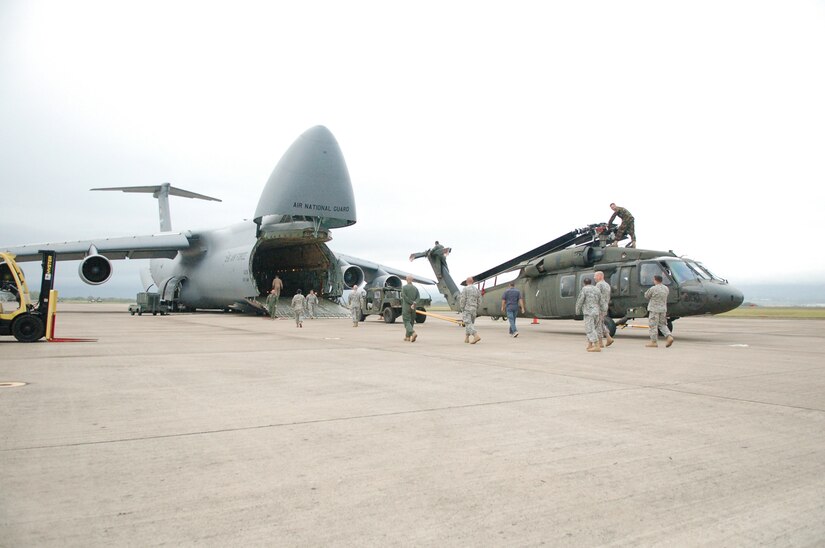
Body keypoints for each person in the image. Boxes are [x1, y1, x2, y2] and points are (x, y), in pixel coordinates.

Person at [644, 275, 674, 347]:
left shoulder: (653, 288)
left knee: (653, 325)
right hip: (663, 309)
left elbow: (646, 296)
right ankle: (669, 336)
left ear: (655, 280)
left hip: (654, 309)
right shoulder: (666, 288)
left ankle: (653, 342)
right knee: (662, 324)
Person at [575, 277, 602, 352]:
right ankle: (590, 345)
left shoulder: (584, 289)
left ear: (584, 283)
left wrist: (577, 311)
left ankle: (597, 346)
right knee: (594, 328)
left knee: (589, 329)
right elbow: (601, 300)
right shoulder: (597, 289)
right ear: (591, 282)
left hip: (588, 312)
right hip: (596, 312)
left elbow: (580, 300)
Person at [460, 276, 482, 344]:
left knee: (468, 323)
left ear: (466, 282)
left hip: (467, 308)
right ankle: (467, 338)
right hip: (474, 309)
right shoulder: (477, 290)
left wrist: (462, 308)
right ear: (473, 282)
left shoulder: (465, 289)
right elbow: (480, 300)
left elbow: (463, 299)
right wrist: (476, 307)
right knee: (470, 324)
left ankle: (476, 336)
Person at [594, 271, 614, 347]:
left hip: (599, 307)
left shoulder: (599, 285)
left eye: (595, 276)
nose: (594, 278)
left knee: (598, 324)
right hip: (605, 306)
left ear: (600, 276)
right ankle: (609, 338)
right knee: (601, 323)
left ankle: (600, 342)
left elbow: (596, 296)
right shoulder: (607, 285)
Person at [401, 275, 420, 342]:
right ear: (412, 280)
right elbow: (418, 297)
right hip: (413, 307)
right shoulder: (415, 288)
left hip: (407, 307)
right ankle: (407, 337)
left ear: (406, 279)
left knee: (406, 321)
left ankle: (413, 333)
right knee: (411, 322)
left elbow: (404, 297)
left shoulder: (404, 288)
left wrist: (411, 302)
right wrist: (414, 303)